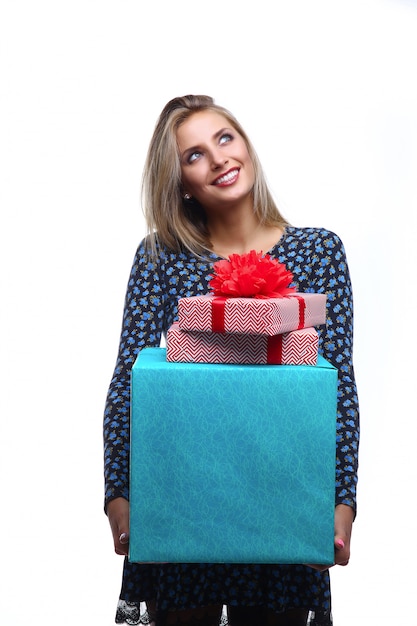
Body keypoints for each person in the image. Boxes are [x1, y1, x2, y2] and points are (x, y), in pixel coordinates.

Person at [103, 95, 359, 626]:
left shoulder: (319, 252)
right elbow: (130, 382)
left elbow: (337, 390)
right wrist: (119, 492)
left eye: (224, 138)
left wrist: (342, 501)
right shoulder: (160, 259)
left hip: (283, 489)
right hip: (183, 492)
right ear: (180, 182)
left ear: (245, 146)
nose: (217, 159)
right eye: (193, 155)